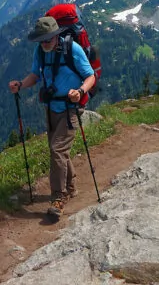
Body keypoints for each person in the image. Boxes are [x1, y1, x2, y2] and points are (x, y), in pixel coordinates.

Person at [8, 16, 95, 217]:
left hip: (70, 108)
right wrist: (20, 84)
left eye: (48, 39)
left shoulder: (73, 50)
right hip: (51, 108)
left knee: (57, 150)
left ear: (56, 36)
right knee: (59, 151)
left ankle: (58, 198)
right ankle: (71, 187)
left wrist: (80, 92)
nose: (45, 43)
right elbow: (35, 75)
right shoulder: (40, 51)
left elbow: (91, 76)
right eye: (42, 40)